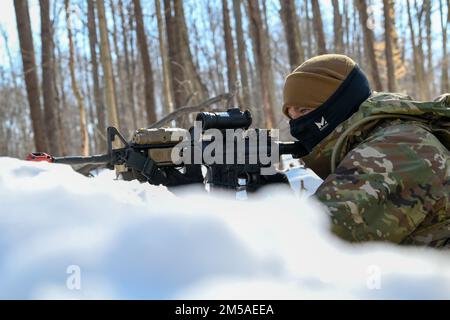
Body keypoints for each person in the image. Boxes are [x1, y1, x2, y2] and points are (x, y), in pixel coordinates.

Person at [283, 54, 450, 248]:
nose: (297, 127)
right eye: (291, 117)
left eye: (303, 111)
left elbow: (309, 244)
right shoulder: (385, 137)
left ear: (338, 105)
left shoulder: (398, 147)